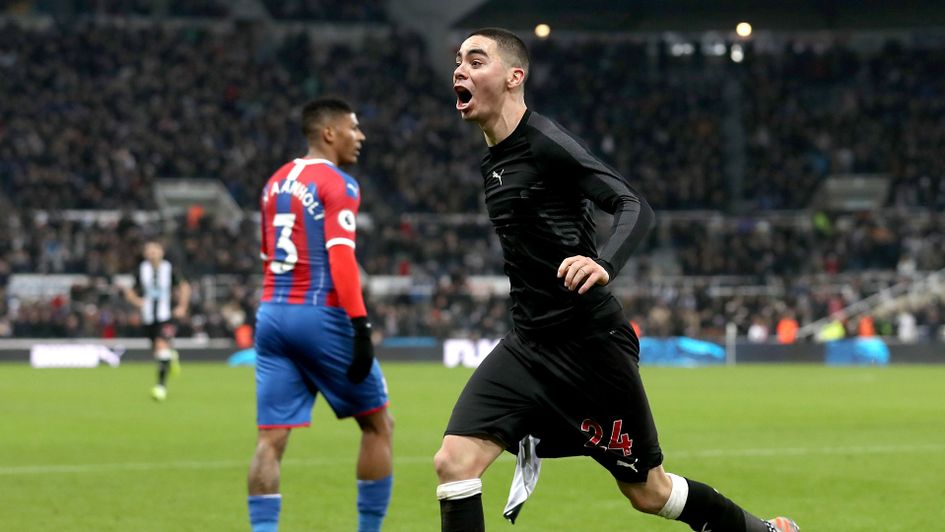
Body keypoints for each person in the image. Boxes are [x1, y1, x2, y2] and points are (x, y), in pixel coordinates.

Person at [434, 28, 799, 532]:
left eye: (476, 60)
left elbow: (634, 205)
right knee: (453, 463)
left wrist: (603, 261)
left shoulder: (545, 143)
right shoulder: (493, 159)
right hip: (528, 344)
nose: (460, 69)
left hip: (589, 347)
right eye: (458, 61)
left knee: (648, 492)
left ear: (515, 76)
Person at [247, 97, 393, 532]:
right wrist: (360, 325)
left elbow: (266, 255)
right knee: (378, 425)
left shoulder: (273, 183)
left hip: (272, 313)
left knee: (270, 440)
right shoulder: (338, 183)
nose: (360, 136)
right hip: (319, 314)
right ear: (329, 133)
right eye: (354, 127)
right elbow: (341, 257)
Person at [122, 240, 190, 402]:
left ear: (161, 252)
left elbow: (184, 287)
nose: (152, 254)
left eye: (155, 250)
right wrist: (136, 301)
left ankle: (160, 387)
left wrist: (182, 306)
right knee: (158, 351)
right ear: (145, 254)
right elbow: (129, 290)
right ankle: (170, 357)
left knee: (161, 347)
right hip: (148, 317)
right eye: (149, 251)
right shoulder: (141, 270)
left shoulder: (170, 269)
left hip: (166, 316)